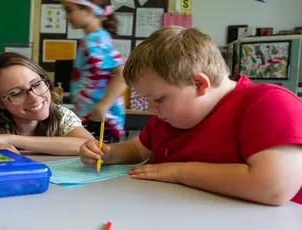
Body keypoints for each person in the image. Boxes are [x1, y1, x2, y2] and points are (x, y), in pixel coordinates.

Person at [79, 26, 302, 206]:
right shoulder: (168, 118)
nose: (150, 109)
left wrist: (177, 171)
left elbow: (273, 187)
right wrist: (108, 153)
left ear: (199, 84)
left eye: (157, 99)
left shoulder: (268, 103)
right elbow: (137, 149)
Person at [62, 0, 128, 143]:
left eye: (69, 10)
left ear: (88, 10)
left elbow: (122, 74)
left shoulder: (96, 39)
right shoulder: (93, 38)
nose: (65, 17)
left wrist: (102, 106)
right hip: (92, 117)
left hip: (100, 120)